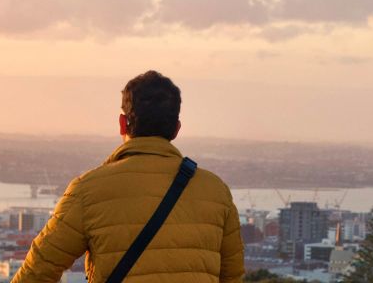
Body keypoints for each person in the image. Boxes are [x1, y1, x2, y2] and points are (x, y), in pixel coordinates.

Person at [12, 71, 245, 282]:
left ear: (123, 124)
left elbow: (36, 274)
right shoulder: (216, 192)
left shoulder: (88, 190)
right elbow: (232, 277)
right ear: (176, 128)